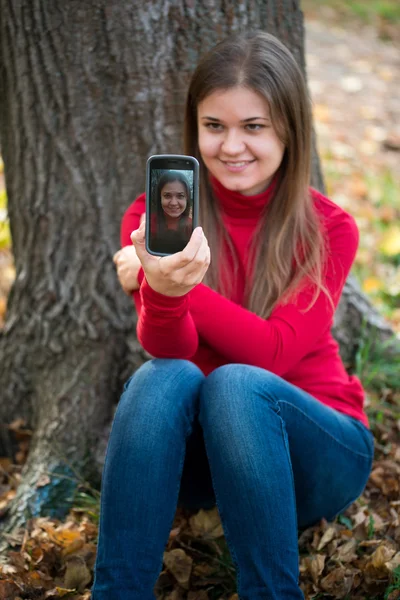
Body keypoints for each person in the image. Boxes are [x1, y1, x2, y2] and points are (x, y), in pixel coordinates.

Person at [93, 30, 374, 600]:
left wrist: (170, 280)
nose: (231, 147)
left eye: (254, 126)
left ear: (289, 131)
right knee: (162, 376)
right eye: (214, 126)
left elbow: (273, 353)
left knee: (238, 383)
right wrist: (162, 291)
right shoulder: (154, 220)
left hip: (320, 452)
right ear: (194, 129)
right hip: (209, 466)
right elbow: (168, 348)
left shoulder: (329, 228)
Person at [150, 171, 193, 254]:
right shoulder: (149, 223)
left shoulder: (193, 226)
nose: (173, 203)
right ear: (159, 197)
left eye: (180, 196)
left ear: (187, 198)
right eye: (167, 196)